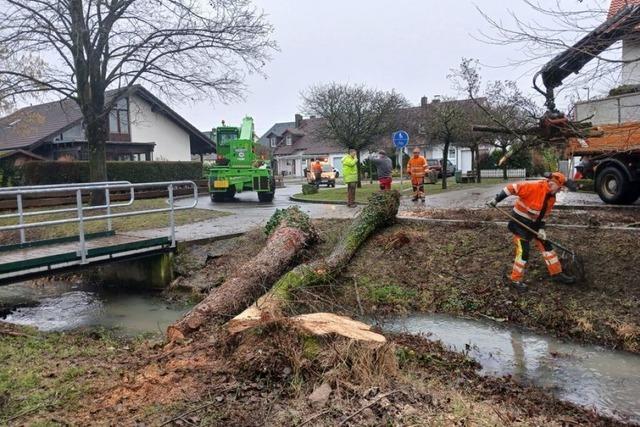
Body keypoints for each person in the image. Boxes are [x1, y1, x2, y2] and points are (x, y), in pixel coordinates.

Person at [488, 172, 576, 290]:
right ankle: (515, 280)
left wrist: (541, 229)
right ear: (552, 183)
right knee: (523, 252)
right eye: (560, 188)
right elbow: (511, 188)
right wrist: (496, 200)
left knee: (547, 246)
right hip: (519, 224)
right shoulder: (533, 187)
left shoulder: (551, 198)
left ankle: (556, 274)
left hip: (534, 226)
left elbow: (544, 215)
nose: (560, 191)